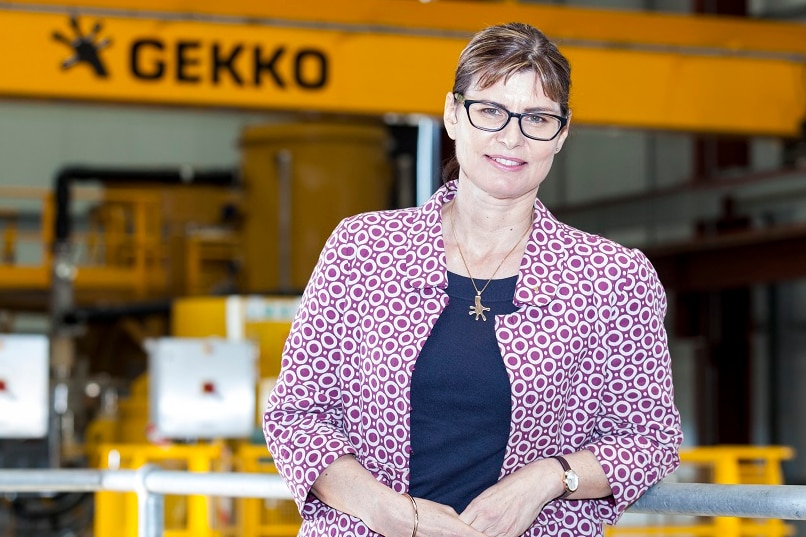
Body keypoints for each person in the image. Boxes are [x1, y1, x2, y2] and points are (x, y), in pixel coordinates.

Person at [264, 21, 683, 537]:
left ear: (563, 132)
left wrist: (549, 479)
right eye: (490, 111)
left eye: (538, 118)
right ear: (452, 115)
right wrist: (384, 511)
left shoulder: (612, 279)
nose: (513, 137)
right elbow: (297, 415)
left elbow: (649, 439)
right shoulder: (363, 250)